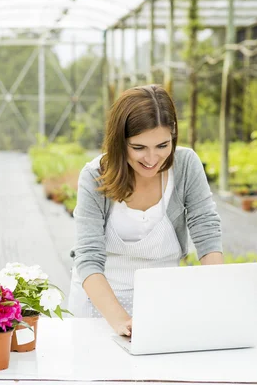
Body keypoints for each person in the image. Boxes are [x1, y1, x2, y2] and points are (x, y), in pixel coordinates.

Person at [68, 84, 223, 337]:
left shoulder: (185, 165)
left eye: (162, 145)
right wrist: (121, 321)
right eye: (139, 148)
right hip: (101, 306)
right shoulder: (95, 175)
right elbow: (88, 257)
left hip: (164, 303)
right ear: (119, 142)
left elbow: (206, 230)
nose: (152, 159)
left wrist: (217, 296)